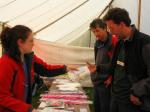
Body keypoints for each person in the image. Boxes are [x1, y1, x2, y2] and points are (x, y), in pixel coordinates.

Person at [0, 25, 77, 112]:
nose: (33, 44)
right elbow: (2, 96)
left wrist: (65, 68)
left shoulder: (29, 57)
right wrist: (27, 109)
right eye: (31, 41)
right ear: (20, 42)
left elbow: (46, 69)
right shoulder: (5, 63)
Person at [103, 7, 150, 112]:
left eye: (111, 28)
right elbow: (115, 66)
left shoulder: (144, 43)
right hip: (116, 97)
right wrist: (98, 68)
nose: (110, 32)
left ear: (122, 24)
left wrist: (136, 92)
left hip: (131, 102)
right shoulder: (120, 43)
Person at [87, 19, 118, 112]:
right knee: (97, 107)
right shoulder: (97, 43)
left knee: (105, 108)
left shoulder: (114, 41)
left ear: (105, 28)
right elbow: (98, 61)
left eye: (97, 30)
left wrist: (112, 77)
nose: (96, 34)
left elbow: (117, 63)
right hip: (97, 80)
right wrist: (95, 68)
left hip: (106, 82)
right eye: (93, 32)